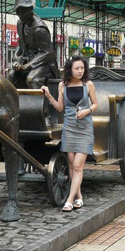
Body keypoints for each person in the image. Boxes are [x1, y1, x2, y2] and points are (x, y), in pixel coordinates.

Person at [41, 56, 97, 212]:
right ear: (70, 70)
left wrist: (87, 110)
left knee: (78, 165)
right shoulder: (63, 85)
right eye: (76, 68)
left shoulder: (88, 85)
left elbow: (96, 104)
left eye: (82, 68)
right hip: (69, 128)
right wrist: (49, 96)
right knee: (72, 166)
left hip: (85, 128)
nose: (80, 71)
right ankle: (79, 197)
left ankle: (69, 200)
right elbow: (60, 108)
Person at [10, 0, 59, 89]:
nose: (20, 15)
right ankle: (17, 102)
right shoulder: (20, 23)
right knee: (12, 75)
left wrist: (28, 66)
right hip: (27, 60)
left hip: (43, 63)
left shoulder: (39, 29)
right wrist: (16, 58)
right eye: (18, 12)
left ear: (31, 10)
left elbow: (48, 53)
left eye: (23, 11)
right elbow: (20, 44)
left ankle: (39, 103)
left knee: (32, 79)